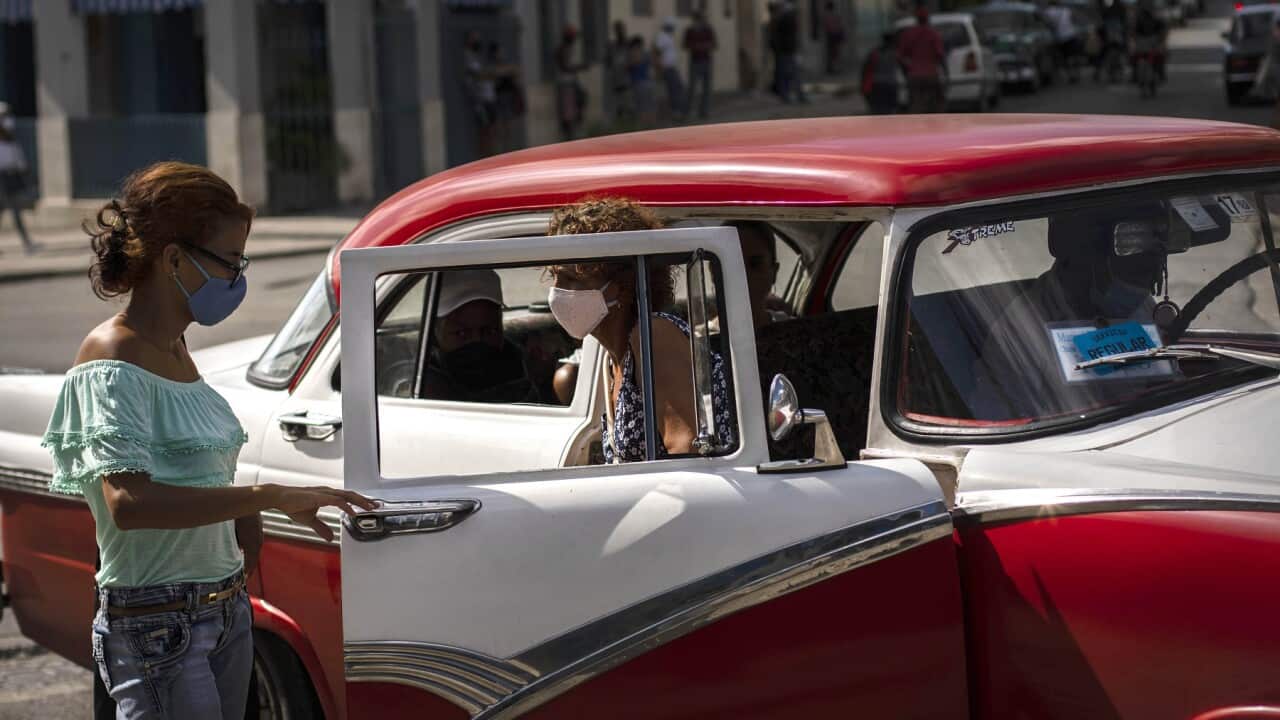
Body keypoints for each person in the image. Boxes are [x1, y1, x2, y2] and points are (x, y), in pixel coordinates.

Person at [42, 161, 374, 719]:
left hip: (222, 608)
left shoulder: (177, 349)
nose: (238, 278)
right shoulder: (111, 358)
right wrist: (264, 498)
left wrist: (241, 517)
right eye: (229, 262)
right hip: (156, 622)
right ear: (173, 259)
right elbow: (130, 504)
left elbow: (188, 471)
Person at [543, 198, 735, 462]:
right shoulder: (612, 355)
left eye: (571, 279)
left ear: (621, 285)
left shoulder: (655, 336)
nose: (556, 292)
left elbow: (689, 454)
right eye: (554, 276)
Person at [974, 206, 1170, 420]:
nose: (1137, 290)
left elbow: (1165, 383)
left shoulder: (1141, 306)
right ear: (1084, 259)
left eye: (1142, 276)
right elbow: (1003, 422)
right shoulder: (1022, 329)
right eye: (1130, 270)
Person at [421, 268, 541, 404]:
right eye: (461, 333)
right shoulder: (422, 378)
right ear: (434, 332)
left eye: (489, 331)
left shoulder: (521, 365)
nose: (477, 341)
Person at [896, 7, 947, 113]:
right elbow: (940, 54)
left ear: (917, 20)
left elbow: (900, 57)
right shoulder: (933, 34)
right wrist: (946, 72)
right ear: (927, 19)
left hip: (914, 76)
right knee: (935, 107)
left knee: (916, 105)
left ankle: (917, 127)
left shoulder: (908, 34)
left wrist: (907, 71)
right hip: (931, 74)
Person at [0, 102, 34, 254]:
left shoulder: (12, 144)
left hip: (11, 180)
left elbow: (21, 165)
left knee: (15, 213)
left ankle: (26, 243)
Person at [463, 31, 500, 157]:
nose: (477, 42)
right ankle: (485, 157)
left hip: (489, 98)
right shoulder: (468, 57)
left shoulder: (478, 57)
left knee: (491, 129)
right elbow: (478, 75)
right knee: (484, 130)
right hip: (481, 100)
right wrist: (491, 74)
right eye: (474, 39)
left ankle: (491, 155)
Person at [556, 25, 589, 140]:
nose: (574, 40)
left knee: (580, 103)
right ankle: (569, 137)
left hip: (571, 82)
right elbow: (565, 67)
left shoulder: (568, 49)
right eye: (573, 37)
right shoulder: (563, 49)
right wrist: (580, 67)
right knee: (569, 113)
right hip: (566, 83)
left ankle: (574, 133)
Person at [683, 10, 718, 119]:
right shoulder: (690, 30)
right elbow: (685, 44)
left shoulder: (708, 30)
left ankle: (704, 112)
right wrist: (696, 46)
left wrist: (705, 46)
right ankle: (688, 112)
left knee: (707, 88)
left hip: (706, 61)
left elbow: (715, 44)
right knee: (692, 88)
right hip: (695, 61)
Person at [772, 2, 808, 103]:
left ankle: (789, 95)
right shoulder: (786, 20)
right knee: (791, 74)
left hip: (786, 51)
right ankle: (795, 95)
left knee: (787, 74)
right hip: (787, 51)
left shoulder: (780, 20)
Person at [654, 17, 688, 121]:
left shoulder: (668, 37)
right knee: (674, 90)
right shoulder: (662, 37)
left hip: (671, 67)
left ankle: (678, 112)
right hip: (667, 68)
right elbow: (657, 52)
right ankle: (675, 112)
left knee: (678, 89)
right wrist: (659, 68)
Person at [861, 32, 901, 114]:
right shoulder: (895, 53)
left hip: (877, 84)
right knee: (890, 110)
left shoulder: (875, 53)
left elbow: (865, 70)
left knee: (878, 109)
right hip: (890, 84)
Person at [1131, 0, 1168, 84]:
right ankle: (1134, 74)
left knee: (1160, 55)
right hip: (1142, 41)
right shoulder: (1138, 17)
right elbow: (1133, 29)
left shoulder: (1156, 16)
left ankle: (1160, 73)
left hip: (1153, 40)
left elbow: (1162, 27)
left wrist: (1161, 38)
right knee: (1134, 55)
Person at [1044, 0, 1082, 82]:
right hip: (1071, 35)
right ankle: (1076, 74)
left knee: (1064, 57)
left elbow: (1048, 25)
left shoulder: (1047, 12)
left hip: (1059, 38)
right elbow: (1073, 21)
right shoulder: (1066, 10)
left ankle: (1070, 75)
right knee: (1073, 56)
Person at [627, 35, 658, 127]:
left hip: (640, 83)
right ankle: (650, 126)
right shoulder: (646, 53)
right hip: (647, 83)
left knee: (642, 107)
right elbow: (653, 63)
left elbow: (630, 65)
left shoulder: (635, 53)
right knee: (649, 106)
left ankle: (644, 127)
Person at [607, 21, 634, 122]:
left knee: (628, 105)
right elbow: (609, 62)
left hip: (627, 80)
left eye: (621, 30)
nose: (620, 32)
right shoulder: (612, 46)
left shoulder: (627, 45)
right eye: (618, 30)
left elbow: (632, 61)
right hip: (616, 80)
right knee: (618, 106)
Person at [822, 2, 847, 75]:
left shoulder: (827, 16)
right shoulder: (836, 15)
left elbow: (827, 26)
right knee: (836, 53)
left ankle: (833, 68)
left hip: (832, 36)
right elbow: (840, 25)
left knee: (832, 53)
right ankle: (836, 68)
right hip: (836, 35)